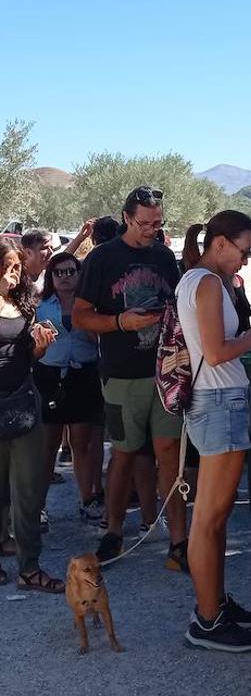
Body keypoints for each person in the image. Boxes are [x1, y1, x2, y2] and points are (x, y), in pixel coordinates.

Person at [177, 211, 251, 653]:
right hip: (218, 402)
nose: (246, 260)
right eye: (243, 249)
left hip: (218, 402)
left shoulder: (198, 281)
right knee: (208, 519)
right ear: (219, 244)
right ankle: (206, 619)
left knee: (216, 518)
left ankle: (215, 602)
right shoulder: (205, 283)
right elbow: (217, 353)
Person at [73, 186, 187, 569]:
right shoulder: (103, 258)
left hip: (164, 373)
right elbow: (80, 316)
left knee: (169, 453)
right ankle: (114, 531)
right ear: (126, 218)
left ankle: (178, 540)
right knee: (124, 453)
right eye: (144, 223)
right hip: (122, 375)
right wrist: (121, 321)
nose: (151, 230)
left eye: (157, 223)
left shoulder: (164, 256)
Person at [0, 237, 61, 591]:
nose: (13, 273)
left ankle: (30, 566)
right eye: (6, 267)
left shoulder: (26, 303)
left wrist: (39, 347)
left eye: (17, 267)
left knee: (28, 489)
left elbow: (28, 357)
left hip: (22, 401)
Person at [35, 252, 105, 524]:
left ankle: (87, 500)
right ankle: (38, 506)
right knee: (48, 443)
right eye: (58, 272)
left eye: (70, 271)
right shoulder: (41, 306)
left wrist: (89, 327)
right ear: (51, 277)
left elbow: (100, 339)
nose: (65, 277)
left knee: (81, 442)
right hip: (49, 375)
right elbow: (33, 347)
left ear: (79, 274)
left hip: (83, 374)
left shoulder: (90, 305)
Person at [20, 229, 54, 295]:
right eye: (45, 248)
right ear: (28, 252)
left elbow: (63, 258)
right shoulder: (16, 277)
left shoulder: (51, 276)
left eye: (51, 248)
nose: (51, 252)